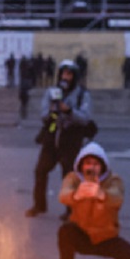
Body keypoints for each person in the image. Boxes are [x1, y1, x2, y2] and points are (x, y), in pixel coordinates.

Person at [55, 142, 130, 259]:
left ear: (102, 166)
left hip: (105, 236)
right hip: (81, 233)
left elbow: (118, 198)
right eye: (87, 163)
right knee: (65, 231)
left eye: (95, 164)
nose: (91, 168)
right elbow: (62, 196)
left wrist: (101, 195)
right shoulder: (73, 178)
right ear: (81, 165)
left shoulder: (113, 180)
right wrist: (77, 195)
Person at [26, 59, 94, 218]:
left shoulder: (82, 95)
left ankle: (70, 210)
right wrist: (52, 111)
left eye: (69, 74)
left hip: (71, 139)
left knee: (69, 176)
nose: (65, 77)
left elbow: (85, 118)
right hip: (52, 137)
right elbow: (43, 114)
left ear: (75, 76)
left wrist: (69, 111)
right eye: (63, 73)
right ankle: (39, 205)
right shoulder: (52, 92)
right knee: (40, 171)